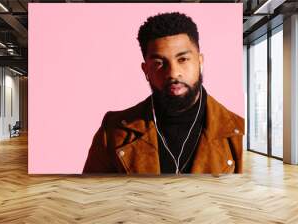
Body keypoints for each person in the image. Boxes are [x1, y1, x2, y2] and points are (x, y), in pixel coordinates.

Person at [83, 12, 244, 174]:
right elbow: (89, 196)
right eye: (159, 63)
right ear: (146, 70)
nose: (173, 73)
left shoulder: (238, 132)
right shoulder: (112, 132)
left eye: (182, 59)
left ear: (200, 62)